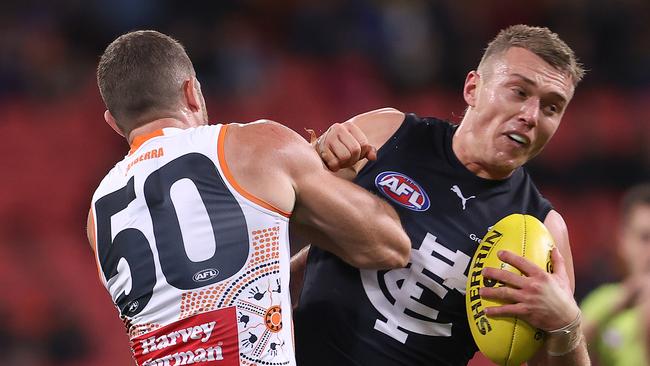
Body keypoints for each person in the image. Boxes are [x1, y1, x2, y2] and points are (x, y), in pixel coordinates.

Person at [86, 30, 411, 366]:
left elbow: (216, 299)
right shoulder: (253, 145)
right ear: (192, 92)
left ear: (113, 122)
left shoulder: (98, 216)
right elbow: (390, 246)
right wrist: (334, 180)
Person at [292, 24, 590, 365]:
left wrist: (567, 324)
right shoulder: (388, 133)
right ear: (473, 88)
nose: (531, 116)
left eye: (552, 108)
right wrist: (318, 155)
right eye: (519, 92)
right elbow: (282, 206)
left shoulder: (541, 231)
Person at [580, 183, 650, 366]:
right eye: (645, 237)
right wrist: (617, 304)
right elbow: (562, 355)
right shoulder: (605, 300)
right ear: (623, 240)